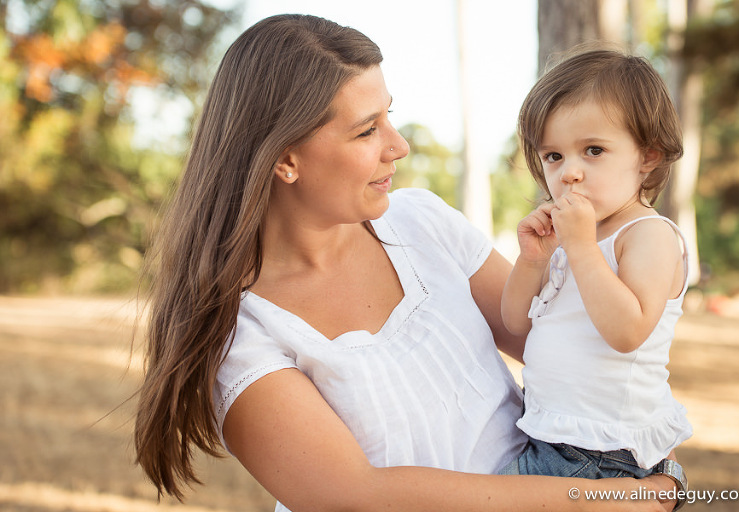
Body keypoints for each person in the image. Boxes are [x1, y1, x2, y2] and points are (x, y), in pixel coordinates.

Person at [134, 15, 677, 512]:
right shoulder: (241, 335)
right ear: (284, 159)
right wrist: (612, 499)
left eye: (389, 116)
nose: (399, 146)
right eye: (367, 130)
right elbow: (355, 497)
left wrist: (636, 456)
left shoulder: (421, 222)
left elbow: (559, 339)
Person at [501, 47, 693, 488]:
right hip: (551, 434)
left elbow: (627, 332)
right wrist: (533, 260)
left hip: (602, 454)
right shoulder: (573, 240)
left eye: (593, 150)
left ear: (648, 156)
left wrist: (582, 248)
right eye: (553, 156)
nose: (569, 173)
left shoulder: (648, 234)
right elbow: (514, 323)